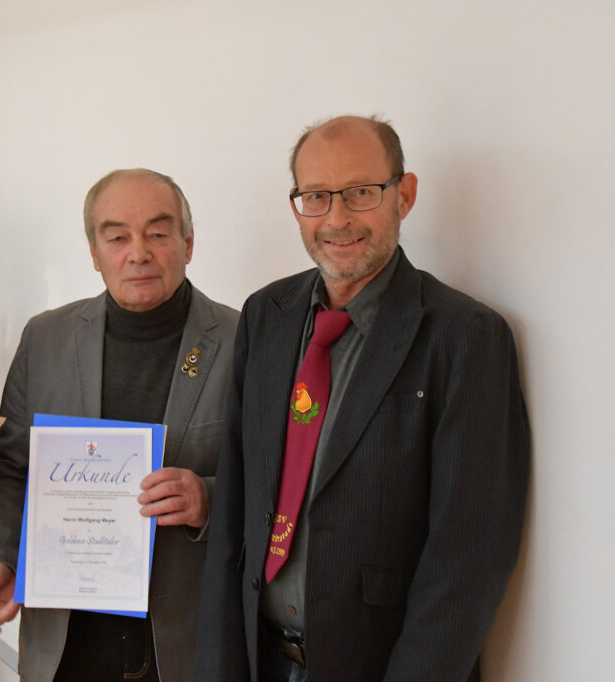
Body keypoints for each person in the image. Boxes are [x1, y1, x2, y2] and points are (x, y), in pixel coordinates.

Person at [196, 116, 530, 682]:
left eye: (360, 192)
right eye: (316, 197)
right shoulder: (265, 316)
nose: (338, 218)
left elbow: (467, 562)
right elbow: (237, 510)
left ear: (405, 193)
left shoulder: (464, 335)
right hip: (262, 660)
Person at [0, 169, 239, 681]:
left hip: (185, 649)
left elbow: (277, 483)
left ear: (188, 242)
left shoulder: (244, 340)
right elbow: (8, 472)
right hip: (65, 647)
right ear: (94, 251)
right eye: (117, 237)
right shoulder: (45, 338)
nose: (138, 252)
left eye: (158, 233)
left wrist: (208, 500)